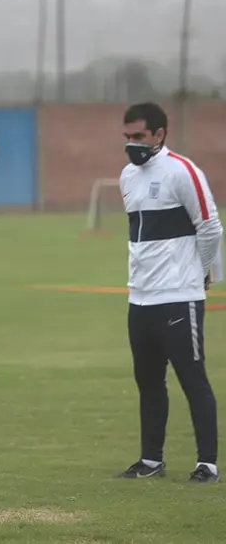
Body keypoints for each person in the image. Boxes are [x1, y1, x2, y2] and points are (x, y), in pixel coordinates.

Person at [117, 101, 222, 483]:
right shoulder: (127, 176)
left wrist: (203, 271)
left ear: (159, 135)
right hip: (140, 298)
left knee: (192, 378)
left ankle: (207, 464)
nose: (132, 145)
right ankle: (151, 461)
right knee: (147, 381)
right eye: (127, 137)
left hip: (179, 295)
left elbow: (210, 227)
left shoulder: (183, 171)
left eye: (139, 137)